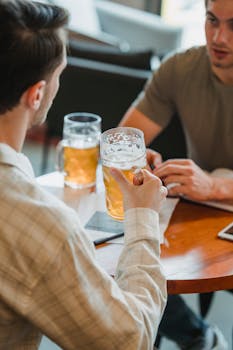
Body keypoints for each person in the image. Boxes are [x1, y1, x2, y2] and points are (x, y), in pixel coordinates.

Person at [0, 1, 168, 349]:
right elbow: (129, 340)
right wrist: (143, 216)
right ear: (37, 94)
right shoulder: (43, 228)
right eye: (60, 74)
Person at [119, 0, 233, 349]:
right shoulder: (180, 68)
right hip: (201, 216)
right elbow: (124, 138)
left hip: (213, 199)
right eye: (211, 20)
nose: (220, 37)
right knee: (134, 261)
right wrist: (139, 159)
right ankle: (199, 335)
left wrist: (214, 185)